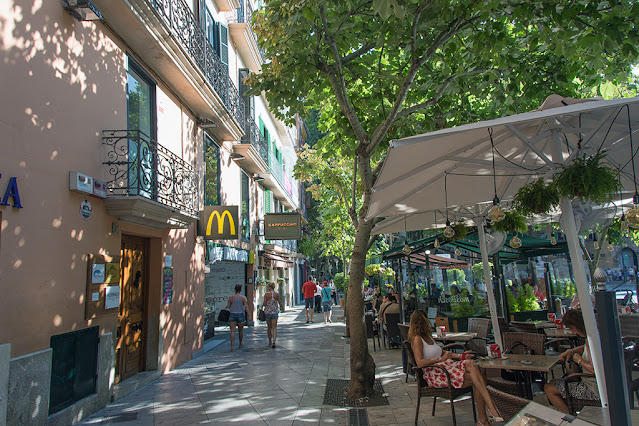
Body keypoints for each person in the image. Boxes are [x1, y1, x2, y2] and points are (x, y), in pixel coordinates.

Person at [409, 310, 503, 426]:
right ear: (421, 322)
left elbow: (443, 352)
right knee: (479, 378)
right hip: (436, 374)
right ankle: (488, 414)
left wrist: (461, 356)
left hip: (446, 369)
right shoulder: (417, 339)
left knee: (473, 366)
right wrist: (439, 359)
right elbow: (420, 363)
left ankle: (487, 415)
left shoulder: (428, 337)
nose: (428, 322)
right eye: (426, 319)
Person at [544, 309, 599, 413]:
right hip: (593, 384)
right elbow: (585, 348)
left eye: (572, 328)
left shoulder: (592, 341)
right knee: (553, 383)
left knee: (548, 388)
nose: (573, 332)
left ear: (578, 325)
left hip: (593, 389)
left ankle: (571, 419)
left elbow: (595, 370)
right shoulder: (593, 337)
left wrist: (579, 360)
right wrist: (571, 350)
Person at [262, 282, 285, 348]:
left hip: (268, 312)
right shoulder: (276, 294)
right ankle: (274, 341)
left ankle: (270, 341)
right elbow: (280, 302)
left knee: (269, 327)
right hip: (274, 312)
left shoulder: (266, 294)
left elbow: (264, 304)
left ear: (269, 287)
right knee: (274, 327)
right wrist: (282, 308)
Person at [226, 284, 247, 351]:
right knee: (240, 331)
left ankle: (232, 346)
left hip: (232, 315)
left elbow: (228, 306)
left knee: (232, 331)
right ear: (240, 290)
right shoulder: (243, 298)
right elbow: (246, 307)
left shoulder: (231, 298)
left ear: (234, 290)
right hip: (240, 314)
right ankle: (240, 343)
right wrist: (249, 315)